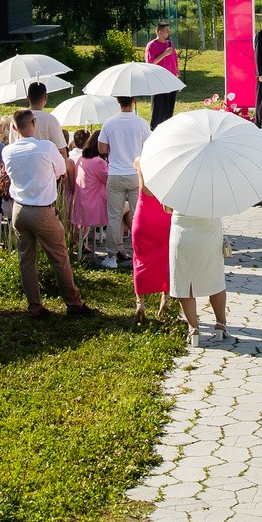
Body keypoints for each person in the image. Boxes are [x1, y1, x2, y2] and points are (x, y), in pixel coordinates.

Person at [1, 109, 94, 317]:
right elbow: (61, 170)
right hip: (42, 209)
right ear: (34, 123)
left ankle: (34, 306)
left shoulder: (8, 151)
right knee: (59, 257)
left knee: (26, 260)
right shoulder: (46, 147)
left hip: (19, 209)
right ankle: (73, 303)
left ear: (14, 128)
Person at [98, 96, 150, 269]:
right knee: (138, 215)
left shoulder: (109, 123)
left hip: (115, 174)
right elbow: (149, 146)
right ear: (134, 100)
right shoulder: (141, 123)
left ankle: (112, 256)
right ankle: (140, 252)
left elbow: (102, 148)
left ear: (117, 102)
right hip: (135, 173)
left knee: (114, 216)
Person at [170, 201, 230, 346]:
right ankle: (220, 324)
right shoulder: (215, 179)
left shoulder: (175, 179)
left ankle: (193, 328)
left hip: (181, 228)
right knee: (215, 276)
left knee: (184, 279)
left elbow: (167, 208)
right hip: (209, 228)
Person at [131, 184, 172, 324]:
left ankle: (140, 302)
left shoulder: (140, 163)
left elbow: (145, 190)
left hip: (144, 217)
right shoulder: (171, 165)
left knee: (140, 260)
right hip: (165, 217)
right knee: (166, 259)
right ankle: (165, 298)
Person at [72, 133, 109, 255]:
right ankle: (118, 247)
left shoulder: (81, 159)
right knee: (124, 210)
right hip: (94, 205)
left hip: (81, 202)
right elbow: (108, 180)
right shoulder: (98, 162)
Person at [145, 21, 181, 127]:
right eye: (167, 31)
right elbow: (150, 63)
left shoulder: (170, 44)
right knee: (158, 111)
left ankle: (167, 131)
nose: (169, 33)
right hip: (158, 81)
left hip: (171, 80)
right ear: (160, 32)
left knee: (169, 111)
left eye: (169, 31)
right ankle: (154, 130)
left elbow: (175, 60)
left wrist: (178, 75)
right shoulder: (151, 45)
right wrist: (164, 54)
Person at [25, 81, 69, 151]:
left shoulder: (17, 118)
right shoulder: (50, 119)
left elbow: (12, 143)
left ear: (27, 98)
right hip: (44, 160)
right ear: (45, 97)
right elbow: (61, 148)